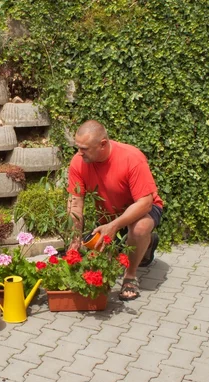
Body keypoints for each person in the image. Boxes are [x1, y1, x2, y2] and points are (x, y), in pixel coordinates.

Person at [67, 120, 163, 301]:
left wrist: (115, 225)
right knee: (101, 260)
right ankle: (146, 244)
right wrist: (75, 238)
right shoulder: (78, 162)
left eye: (85, 148)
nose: (79, 153)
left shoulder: (131, 158)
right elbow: (75, 203)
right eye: (78, 147)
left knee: (139, 228)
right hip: (109, 215)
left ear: (103, 144)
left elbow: (145, 203)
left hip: (143, 210)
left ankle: (130, 277)